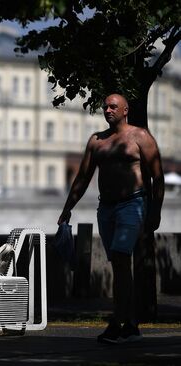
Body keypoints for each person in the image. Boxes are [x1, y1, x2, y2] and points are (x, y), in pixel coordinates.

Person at [57, 94, 164, 344]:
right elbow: (82, 177)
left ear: (125, 110)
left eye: (113, 106)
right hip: (106, 208)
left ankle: (117, 322)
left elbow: (157, 177)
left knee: (120, 256)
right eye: (105, 106)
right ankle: (131, 325)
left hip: (133, 203)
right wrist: (67, 208)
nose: (107, 110)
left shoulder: (141, 137)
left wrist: (155, 210)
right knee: (119, 264)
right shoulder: (97, 141)